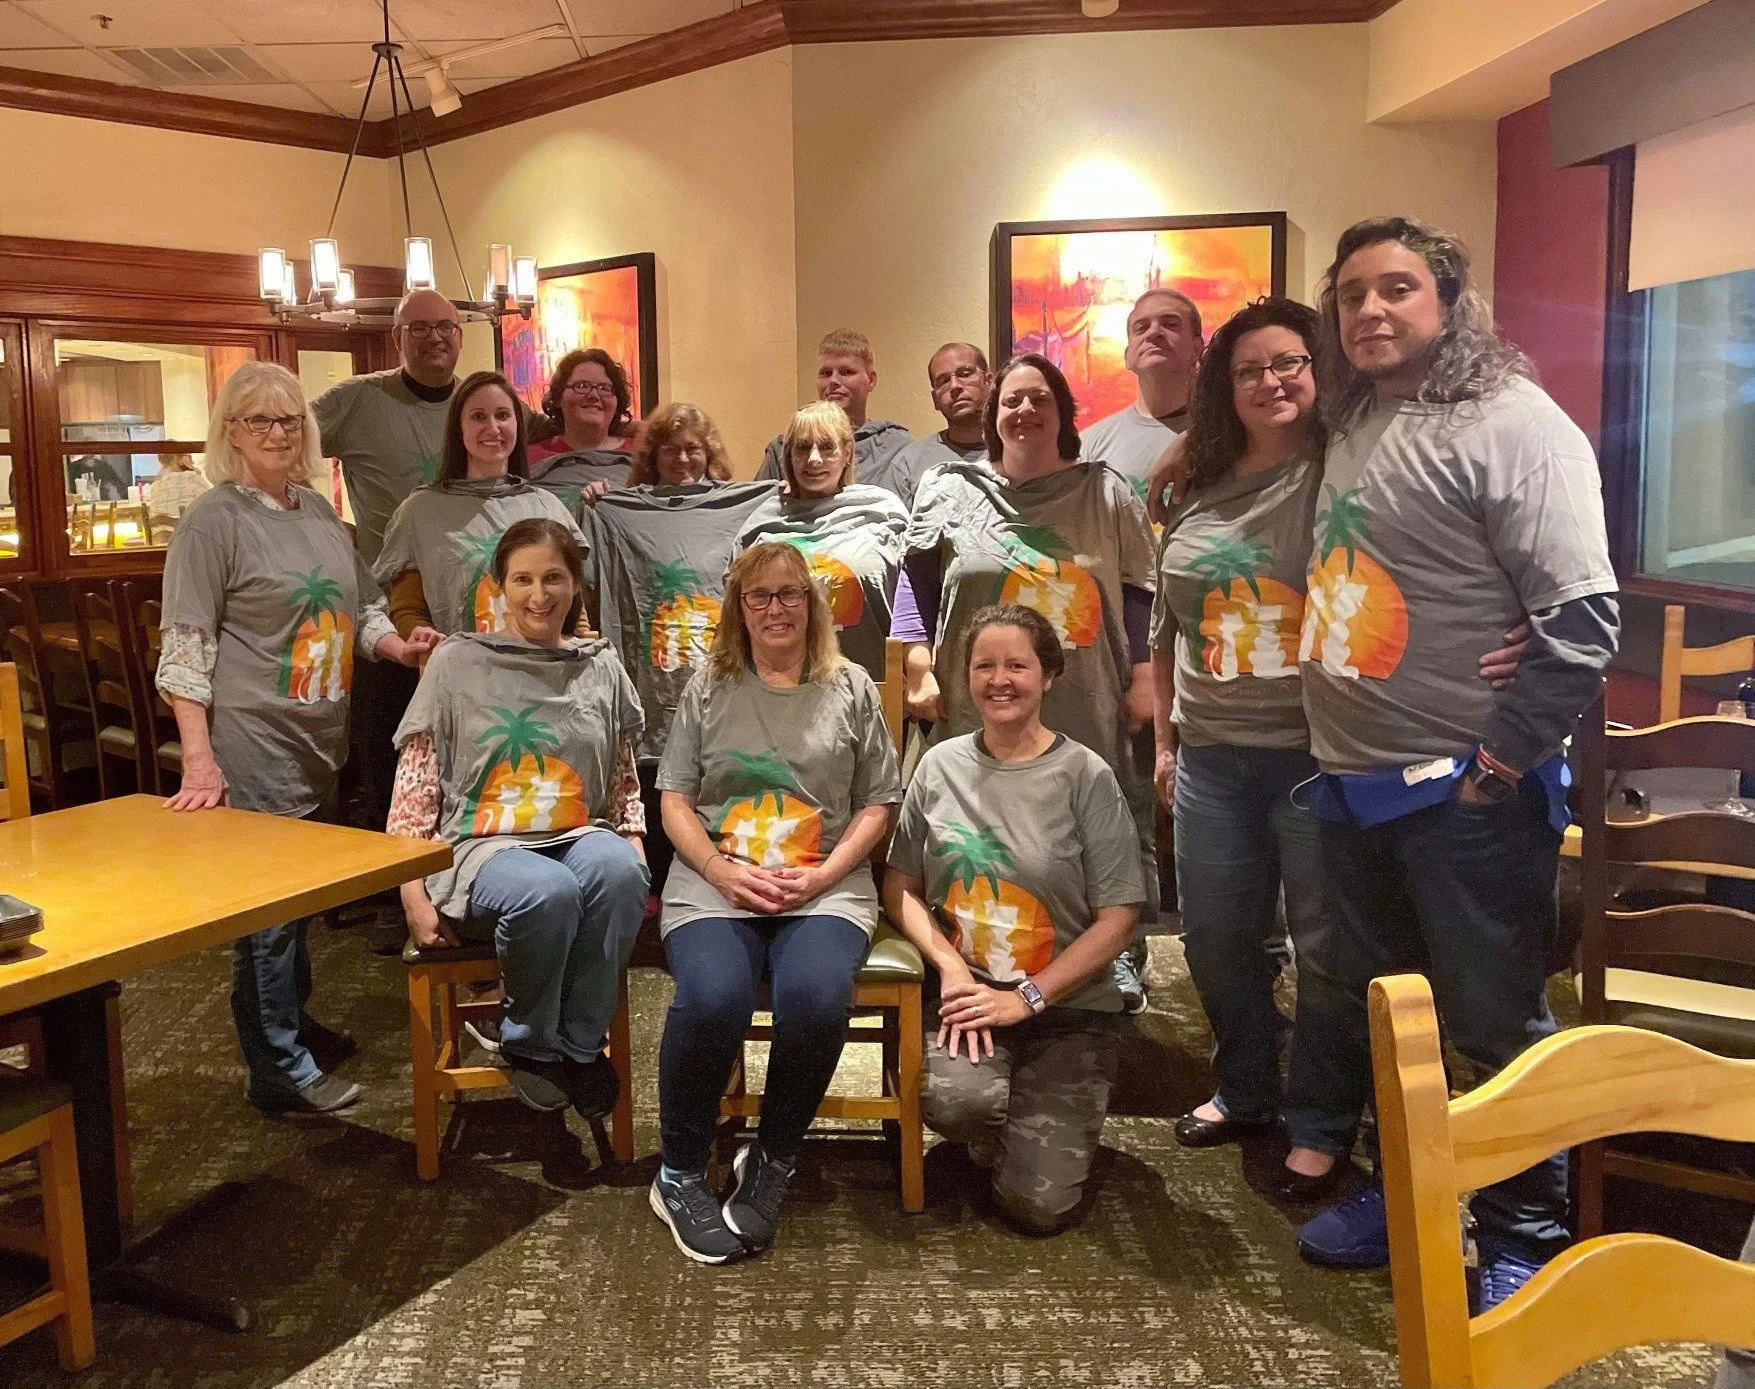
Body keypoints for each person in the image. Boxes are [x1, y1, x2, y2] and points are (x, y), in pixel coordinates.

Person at [1288, 218, 1619, 1312]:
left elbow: (1579, 619)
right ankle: (1413, 1194)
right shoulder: (1358, 415)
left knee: (1491, 1023)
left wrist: (1495, 761)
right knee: (1397, 1014)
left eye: (1397, 290)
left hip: (1465, 795)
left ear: (1448, 300)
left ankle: (1527, 1231)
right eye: (1351, 297)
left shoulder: (1517, 424)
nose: (1371, 312)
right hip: (1352, 782)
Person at [1153, 296, 1533, 1200]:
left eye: (1288, 362)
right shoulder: (1194, 480)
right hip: (1209, 751)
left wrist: (1514, 620)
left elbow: (1438, 552)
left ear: (1319, 371)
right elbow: (1171, 624)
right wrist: (1166, 736)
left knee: (1329, 948)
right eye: (1248, 369)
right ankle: (1245, 1086)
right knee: (1213, 940)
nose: (1270, 381)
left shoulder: (1342, 468)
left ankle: (1320, 1120)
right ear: (1224, 388)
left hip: (1314, 752)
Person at [156, 361, 439, 1113]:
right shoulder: (212, 521)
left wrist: (399, 648)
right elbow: (184, 648)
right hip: (252, 744)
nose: (278, 433)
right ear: (230, 434)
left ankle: (288, 1022)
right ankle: (276, 1064)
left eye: (289, 420)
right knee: (268, 915)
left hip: (320, 740)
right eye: (258, 421)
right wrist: (199, 755)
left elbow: (365, 609)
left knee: (296, 904)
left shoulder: (317, 512)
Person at [649, 541, 901, 1263]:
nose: (775, 608)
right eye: (758, 596)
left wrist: (823, 876)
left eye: (790, 593)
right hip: (715, 878)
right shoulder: (708, 685)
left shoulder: (850, 686)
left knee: (819, 997)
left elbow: (879, 802)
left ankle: (775, 1155)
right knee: (712, 996)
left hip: (822, 884)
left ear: (812, 603)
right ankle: (678, 1172)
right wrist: (718, 871)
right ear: (738, 608)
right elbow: (674, 799)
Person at [895, 352, 1160, 982]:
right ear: (993, 414)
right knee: (978, 827)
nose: (1026, 410)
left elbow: (1141, 590)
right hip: (975, 699)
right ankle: (970, 945)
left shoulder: (1106, 489)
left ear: (1063, 411)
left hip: (1087, 699)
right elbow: (912, 587)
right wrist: (916, 665)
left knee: (1093, 826)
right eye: (1012, 399)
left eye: (1040, 397)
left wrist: (1147, 675)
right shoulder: (950, 489)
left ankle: (1110, 955)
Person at [885, 604, 1143, 1234]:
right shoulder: (938, 766)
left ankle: (1046, 1121)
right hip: (969, 995)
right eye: (984, 666)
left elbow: (1120, 917)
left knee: (1038, 1206)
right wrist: (948, 968)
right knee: (953, 1103)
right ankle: (1011, 1116)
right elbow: (900, 888)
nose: (999, 680)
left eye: (1018, 665)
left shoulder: (1087, 776)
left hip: (1070, 1001)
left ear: (1049, 675)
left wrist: (1028, 998)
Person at [389, 518, 649, 1115]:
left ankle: (582, 1047)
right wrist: (411, 895)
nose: (540, 595)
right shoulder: (457, 664)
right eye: (524, 579)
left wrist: (632, 847)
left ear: (575, 585)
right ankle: (529, 1043)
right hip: (481, 848)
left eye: (554, 578)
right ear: (499, 587)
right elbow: (415, 791)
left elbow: (623, 782)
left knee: (622, 874)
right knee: (546, 889)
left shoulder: (599, 666)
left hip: (579, 831)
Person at [585, 404, 776, 893]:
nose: (683, 459)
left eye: (693, 448)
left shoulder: (744, 505)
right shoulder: (620, 509)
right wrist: (596, 504)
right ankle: (659, 890)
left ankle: (714, 875)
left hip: (721, 673)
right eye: (670, 449)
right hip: (652, 673)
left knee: (714, 774)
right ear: (652, 456)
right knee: (655, 778)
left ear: (709, 453)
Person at [313, 289, 462, 834]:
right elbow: (282, 443)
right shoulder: (355, 400)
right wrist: (320, 530)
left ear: (460, 335)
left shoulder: (476, 401)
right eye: (418, 328)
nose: (434, 338)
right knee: (388, 751)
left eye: (444, 326)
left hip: (459, 614)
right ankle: (389, 883)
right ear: (396, 339)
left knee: (456, 758)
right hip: (383, 611)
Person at [374, 370, 586, 638]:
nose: (493, 427)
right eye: (478, 416)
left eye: (503, 415)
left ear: (517, 424)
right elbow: (406, 609)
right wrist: (429, 644)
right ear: (458, 429)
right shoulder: (420, 511)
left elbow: (575, 614)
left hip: (543, 672)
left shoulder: (548, 507)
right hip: (460, 671)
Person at [734, 401, 909, 681]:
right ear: (788, 456)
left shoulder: (883, 512)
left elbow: (913, 602)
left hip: (871, 684)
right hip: (780, 689)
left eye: (827, 447)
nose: (814, 459)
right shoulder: (760, 525)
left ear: (847, 453)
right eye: (802, 448)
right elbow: (735, 615)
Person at [1080, 289, 1205, 506]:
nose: (1154, 332)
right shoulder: (1089, 445)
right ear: (1128, 357)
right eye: (1141, 328)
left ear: (1197, 348)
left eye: (1171, 324)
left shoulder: (1231, 434)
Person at [757, 330, 913, 500]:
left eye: (846, 372)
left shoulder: (898, 447)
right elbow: (753, 512)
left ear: (871, 380)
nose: (833, 381)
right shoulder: (784, 447)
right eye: (825, 373)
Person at [883, 342, 994, 509]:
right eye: (943, 381)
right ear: (935, 399)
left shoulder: (1022, 452)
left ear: (989, 382)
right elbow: (888, 528)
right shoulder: (908, 465)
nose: (955, 386)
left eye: (964, 374)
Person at [528, 348, 636, 515]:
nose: (594, 395)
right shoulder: (530, 457)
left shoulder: (642, 453)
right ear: (558, 398)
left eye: (605, 388)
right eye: (582, 386)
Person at [146, 453, 210, 520]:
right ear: (176, 458)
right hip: (186, 528)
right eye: (188, 457)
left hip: (160, 528)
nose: (192, 462)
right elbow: (212, 502)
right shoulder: (190, 477)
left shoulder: (155, 485)